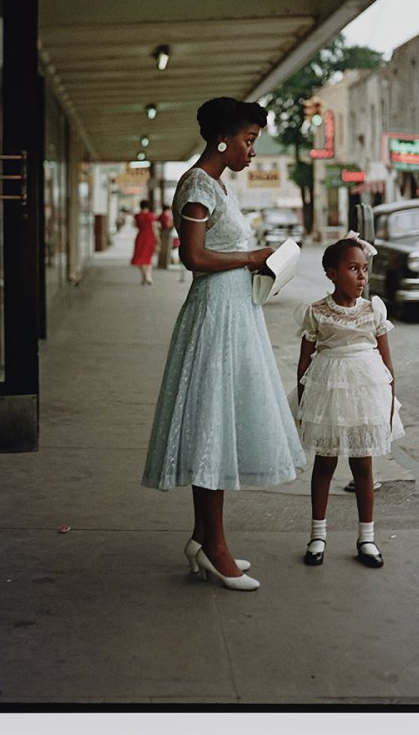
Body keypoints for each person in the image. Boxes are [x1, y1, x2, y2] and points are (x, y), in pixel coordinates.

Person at [141, 97, 305, 591]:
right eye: (249, 140)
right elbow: (192, 257)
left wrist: (259, 262)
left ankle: (202, 537)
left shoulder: (215, 186)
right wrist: (252, 255)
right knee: (212, 424)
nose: (253, 150)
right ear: (222, 140)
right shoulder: (197, 184)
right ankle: (214, 547)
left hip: (235, 312)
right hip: (215, 314)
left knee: (222, 423)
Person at [294, 233, 404, 569]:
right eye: (353, 268)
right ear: (331, 273)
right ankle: (317, 534)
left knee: (363, 466)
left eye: (365, 269)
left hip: (365, 394)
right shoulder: (317, 312)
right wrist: (304, 408)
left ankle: (367, 537)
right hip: (328, 393)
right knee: (324, 464)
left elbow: (386, 366)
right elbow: (304, 363)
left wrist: (388, 405)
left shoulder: (373, 311)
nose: (361, 277)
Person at [130, 199, 158, 284]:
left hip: (140, 237)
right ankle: (148, 276)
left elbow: (134, 225)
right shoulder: (152, 216)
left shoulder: (137, 216)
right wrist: (157, 240)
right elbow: (154, 228)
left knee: (140, 258)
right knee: (148, 257)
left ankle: (144, 276)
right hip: (150, 237)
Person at [156, 204, 173, 270]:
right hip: (166, 232)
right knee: (165, 249)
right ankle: (164, 264)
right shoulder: (166, 215)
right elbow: (167, 225)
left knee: (163, 249)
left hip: (163, 232)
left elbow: (157, 220)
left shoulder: (163, 214)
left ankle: (162, 264)